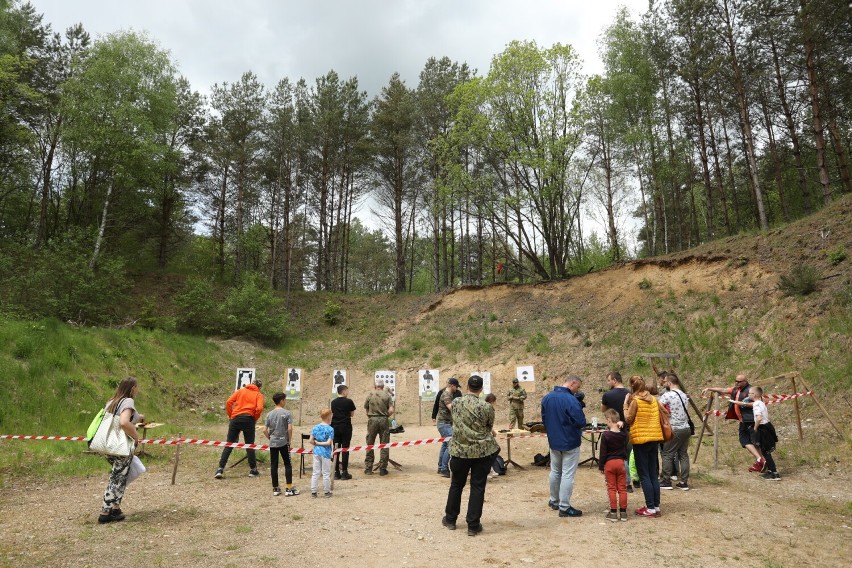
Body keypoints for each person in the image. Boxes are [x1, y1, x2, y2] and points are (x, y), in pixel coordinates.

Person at [441, 375, 499, 536]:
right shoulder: (487, 406)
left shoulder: (457, 403)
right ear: (481, 389)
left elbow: (452, 416)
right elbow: (489, 427)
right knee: (478, 487)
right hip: (481, 452)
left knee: (456, 485)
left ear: (467, 386)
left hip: (460, 451)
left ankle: (451, 519)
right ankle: (473, 525)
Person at [97, 376, 144, 524]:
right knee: (117, 477)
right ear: (132, 388)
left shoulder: (111, 401)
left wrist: (139, 417)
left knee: (120, 475)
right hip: (120, 446)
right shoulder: (128, 401)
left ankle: (116, 508)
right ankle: (105, 512)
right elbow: (124, 422)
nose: (138, 390)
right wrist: (136, 436)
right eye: (137, 387)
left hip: (106, 445)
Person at [541, 374, 587, 518]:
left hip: (554, 440)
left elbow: (544, 419)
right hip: (570, 441)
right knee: (567, 474)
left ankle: (554, 500)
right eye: (577, 387)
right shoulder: (571, 400)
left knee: (555, 471)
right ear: (573, 383)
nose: (576, 390)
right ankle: (564, 506)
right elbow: (581, 421)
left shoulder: (547, 398)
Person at [624, 375, 667, 518]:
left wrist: (625, 406)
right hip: (654, 438)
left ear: (633, 388)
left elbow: (628, 419)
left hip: (640, 440)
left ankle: (649, 508)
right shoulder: (654, 400)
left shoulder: (635, 401)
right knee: (653, 473)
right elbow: (666, 412)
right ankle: (656, 506)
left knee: (644, 474)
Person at [702, 374, 763, 471]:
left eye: (739, 381)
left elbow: (758, 404)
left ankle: (761, 461)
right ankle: (760, 460)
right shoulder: (735, 389)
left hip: (751, 420)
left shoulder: (751, 391)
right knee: (745, 441)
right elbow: (723, 390)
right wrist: (709, 388)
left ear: (745, 381)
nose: (737, 383)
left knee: (755, 442)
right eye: (736, 381)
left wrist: (743, 404)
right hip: (743, 420)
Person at [215, 379, 264, 479]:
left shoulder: (241, 390)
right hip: (249, 419)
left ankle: (220, 469)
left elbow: (229, 402)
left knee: (229, 444)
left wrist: (231, 415)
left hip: (236, 419)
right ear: (259, 387)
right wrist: (254, 418)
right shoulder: (258, 395)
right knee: (249, 445)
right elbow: (259, 408)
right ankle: (253, 470)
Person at [730, 386, 780, 480]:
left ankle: (774, 473)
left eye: (750, 393)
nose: (748, 395)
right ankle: (770, 470)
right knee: (765, 450)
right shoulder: (760, 403)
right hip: (767, 426)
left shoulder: (756, 404)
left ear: (755, 394)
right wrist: (736, 402)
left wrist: (755, 428)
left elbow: (759, 418)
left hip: (762, 428)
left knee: (765, 451)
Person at [600, 371, 633, 493]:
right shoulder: (630, 393)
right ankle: (629, 482)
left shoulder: (607, 395)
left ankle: (622, 482)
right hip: (629, 429)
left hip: (614, 429)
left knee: (614, 457)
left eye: (609, 380)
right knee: (628, 457)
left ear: (614, 380)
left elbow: (603, 409)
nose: (608, 383)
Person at [659, 374, 691, 490]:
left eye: (665, 382)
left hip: (675, 428)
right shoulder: (683, 394)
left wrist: (667, 414)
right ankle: (684, 482)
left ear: (669, 383)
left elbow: (658, 406)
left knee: (667, 454)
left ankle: (666, 480)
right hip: (686, 428)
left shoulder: (668, 395)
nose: (664, 383)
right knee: (683, 455)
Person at [264, 392, 299, 497]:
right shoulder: (287, 413)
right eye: (285, 400)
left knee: (273, 465)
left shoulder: (269, 414)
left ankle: (275, 488)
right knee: (287, 464)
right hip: (283, 441)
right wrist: (289, 440)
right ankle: (289, 488)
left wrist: (270, 438)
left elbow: (264, 430)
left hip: (273, 442)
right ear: (281, 401)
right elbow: (289, 428)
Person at [598, 408, 628, 522]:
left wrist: (601, 466)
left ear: (610, 420)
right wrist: (623, 424)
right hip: (621, 463)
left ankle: (614, 512)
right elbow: (625, 430)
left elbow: (603, 453)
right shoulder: (623, 435)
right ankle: (624, 512)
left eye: (606, 420)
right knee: (622, 488)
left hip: (609, 463)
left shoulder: (606, 435)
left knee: (611, 488)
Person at [363, 379, 394, 476]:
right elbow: (391, 410)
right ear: (383, 386)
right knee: (384, 444)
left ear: (375, 386)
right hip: (383, 420)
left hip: (372, 420)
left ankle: (368, 468)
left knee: (370, 443)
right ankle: (383, 469)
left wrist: (370, 416)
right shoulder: (387, 395)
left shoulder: (370, 395)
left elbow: (366, 408)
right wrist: (385, 416)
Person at [435, 377, 460, 477]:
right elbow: (451, 408)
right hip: (444, 423)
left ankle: (441, 467)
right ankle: (444, 468)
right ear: (452, 385)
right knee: (451, 444)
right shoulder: (446, 394)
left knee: (445, 445)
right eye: (456, 386)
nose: (457, 389)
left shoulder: (447, 394)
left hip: (445, 423)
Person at [331, 384, 356, 480]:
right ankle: (344, 472)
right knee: (345, 449)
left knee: (336, 449)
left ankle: (336, 472)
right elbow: (352, 414)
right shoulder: (349, 401)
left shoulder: (333, 402)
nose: (348, 392)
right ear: (344, 391)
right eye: (347, 391)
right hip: (345, 427)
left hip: (335, 427)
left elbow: (333, 412)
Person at [309, 408, 335, 497]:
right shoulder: (330, 429)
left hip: (316, 451)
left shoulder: (315, 427)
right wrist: (320, 443)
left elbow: (310, 440)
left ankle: (313, 491)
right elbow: (328, 443)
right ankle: (327, 491)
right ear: (328, 416)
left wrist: (316, 443)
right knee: (326, 473)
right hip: (326, 453)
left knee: (316, 472)